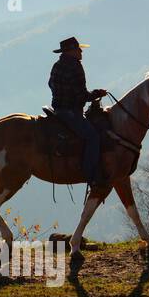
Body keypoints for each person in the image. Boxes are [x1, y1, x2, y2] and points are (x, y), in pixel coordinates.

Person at [48, 36, 108, 186]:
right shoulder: (75, 66)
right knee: (93, 137)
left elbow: (50, 84)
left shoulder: (57, 65)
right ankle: (91, 175)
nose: (81, 51)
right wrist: (97, 94)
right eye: (78, 49)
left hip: (57, 109)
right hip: (70, 112)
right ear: (70, 51)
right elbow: (82, 95)